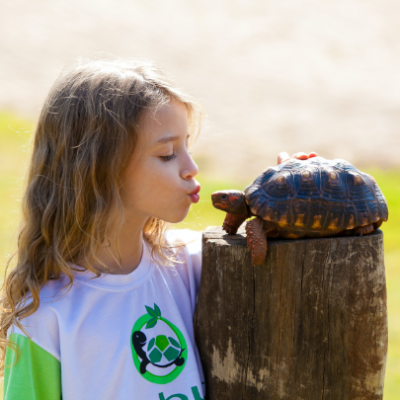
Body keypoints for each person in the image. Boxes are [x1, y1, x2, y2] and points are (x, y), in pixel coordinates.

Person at [0, 57, 317, 400]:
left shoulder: (194, 262)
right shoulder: (46, 317)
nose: (191, 168)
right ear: (99, 169)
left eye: (187, 147)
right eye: (167, 154)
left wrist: (292, 197)